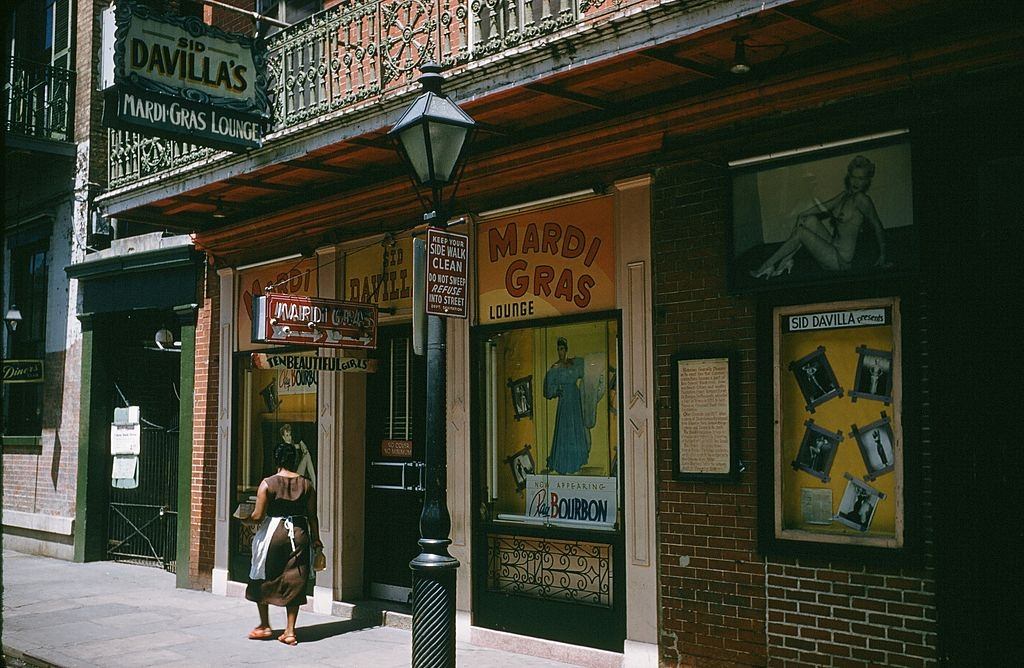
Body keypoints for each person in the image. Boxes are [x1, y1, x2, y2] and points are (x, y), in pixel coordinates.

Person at [750, 155, 889, 279]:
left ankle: (766, 266)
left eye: (860, 178)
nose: (855, 182)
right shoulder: (845, 195)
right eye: (853, 177)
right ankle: (786, 261)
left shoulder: (862, 200)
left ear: (867, 181)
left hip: (840, 261)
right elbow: (824, 206)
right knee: (809, 219)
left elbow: (877, 225)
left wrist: (883, 256)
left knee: (801, 233)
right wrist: (802, 214)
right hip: (832, 247)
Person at [243, 442, 322, 645]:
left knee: (262, 574)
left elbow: (258, 516)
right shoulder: (307, 484)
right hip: (299, 533)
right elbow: (313, 516)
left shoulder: (267, 483)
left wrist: (244, 518)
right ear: (294, 461)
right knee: (295, 578)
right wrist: (317, 541)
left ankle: (264, 625)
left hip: (273, 533)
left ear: (276, 460)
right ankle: (289, 631)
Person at [544, 337, 589, 474]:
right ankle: (564, 465)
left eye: (562, 349)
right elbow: (548, 389)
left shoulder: (573, 363)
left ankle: (576, 463)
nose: (560, 352)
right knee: (565, 430)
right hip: (565, 401)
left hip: (575, 399)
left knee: (576, 428)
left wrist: (573, 361)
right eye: (558, 349)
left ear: (566, 350)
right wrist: (557, 390)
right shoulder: (555, 367)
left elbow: (585, 368)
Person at [279, 423, 316, 487]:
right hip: (291, 478)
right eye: (287, 435)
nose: (289, 438)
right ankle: (314, 484)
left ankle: (314, 483)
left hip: (296, 473)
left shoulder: (292, 445)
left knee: (307, 455)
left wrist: (301, 444)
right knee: (307, 456)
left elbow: (301, 447)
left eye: (290, 435)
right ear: (283, 437)